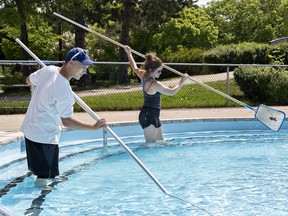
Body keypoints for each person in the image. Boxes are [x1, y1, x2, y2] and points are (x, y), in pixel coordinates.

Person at [21, 47, 107, 187]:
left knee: (48, 172)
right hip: (44, 136)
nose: (85, 70)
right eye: (83, 66)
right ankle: (37, 205)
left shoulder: (48, 70)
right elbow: (66, 121)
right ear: (71, 62)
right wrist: (93, 127)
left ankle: (50, 178)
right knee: (43, 180)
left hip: (31, 130)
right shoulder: (64, 89)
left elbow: (28, 80)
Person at [124, 46, 189, 143]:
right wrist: (182, 81)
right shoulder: (154, 84)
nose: (160, 73)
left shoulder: (143, 75)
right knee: (150, 147)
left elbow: (134, 67)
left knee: (161, 143)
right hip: (149, 115)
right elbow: (172, 92)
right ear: (150, 70)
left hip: (153, 115)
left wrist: (129, 54)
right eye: (158, 71)